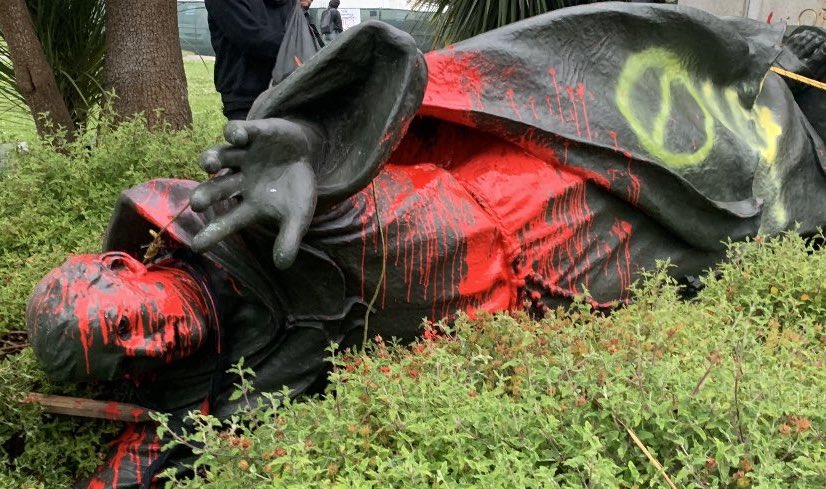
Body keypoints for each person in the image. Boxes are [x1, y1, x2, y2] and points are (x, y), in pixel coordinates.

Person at [26, 4, 826, 488]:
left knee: (708, 160)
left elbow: (389, 62)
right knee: (716, 245)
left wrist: (313, 142)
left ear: (123, 264)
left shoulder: (233, 218)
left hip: (514, 199)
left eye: (125, 320)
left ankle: (790, 89)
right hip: (547, 287)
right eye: (123, 352)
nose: (150, 338)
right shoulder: (215, 383)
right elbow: (149, 458)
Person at [204, 0, 292, 120]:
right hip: (259, 94)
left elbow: (253, 37)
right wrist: (296, 45)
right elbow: (253, 38)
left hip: (257, 91)